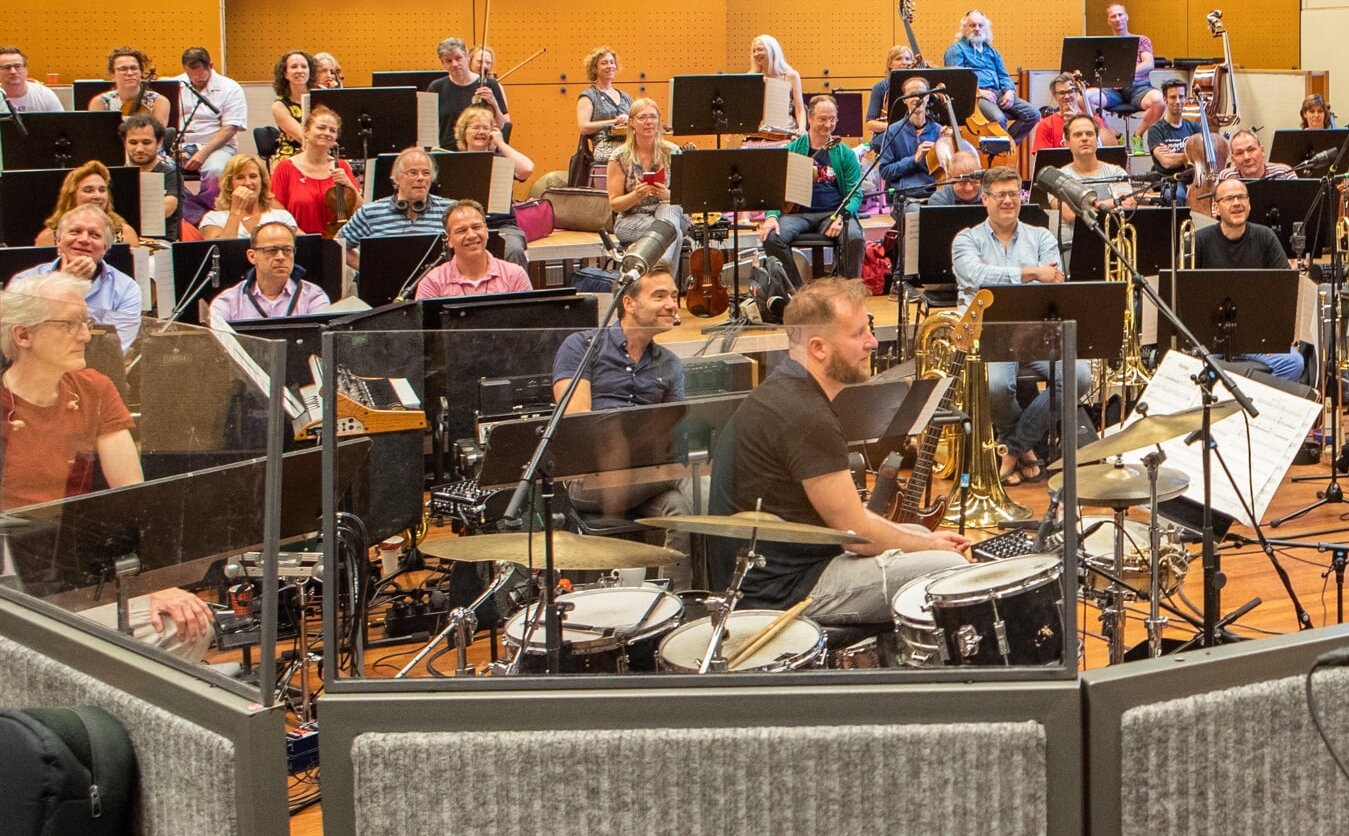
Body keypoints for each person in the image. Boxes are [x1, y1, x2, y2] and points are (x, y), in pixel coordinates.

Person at [714, 277, 970, 622]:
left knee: (922, 533)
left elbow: (848, 518)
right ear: (819, 348)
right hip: (785, 592)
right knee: (948, 566)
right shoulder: (805, 415)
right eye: (858, 334)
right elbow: (856, 535)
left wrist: (922, 539)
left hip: (795, 566)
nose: (872, 342)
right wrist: (931, 547)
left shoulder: (786, 392)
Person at [0, 272, 211, 660]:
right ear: (23, 336)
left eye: (86, 322)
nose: (84, 335)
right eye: (69, 324)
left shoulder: (94, 388)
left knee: (186, 626)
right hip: (10, 577)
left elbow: (133, 498)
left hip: (78, 570)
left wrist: (155, 584)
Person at [550, 266, 693, 584]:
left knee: (681, 509)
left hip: (651, 475)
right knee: (695, 480)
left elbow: (676, 430)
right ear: (628, 303)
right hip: (590, 479)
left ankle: (673, 603)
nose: (672, 304)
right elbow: (578, 425)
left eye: (674, 295)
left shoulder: (670, 363)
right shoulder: (582, 346)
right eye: (660, 296)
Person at [954, 166, 1090, 483]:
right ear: (984, 199)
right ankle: (1026, 451)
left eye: (1014, 193)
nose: (1008, 201)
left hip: (1035, 328)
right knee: (997, 386)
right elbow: (976, 276)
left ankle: (1013, 447)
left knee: (1079, 375)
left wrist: (1024, 277)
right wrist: (1031, 273)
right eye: (1000, 195)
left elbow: (1053, 282)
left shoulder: (1041, 236)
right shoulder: (966, 240)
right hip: (990, 330)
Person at [1191, 178, 1307, 382]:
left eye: (1241, 197)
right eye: (1229, 198)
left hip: (1256, 336)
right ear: (1216, 207)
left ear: (1249, 204)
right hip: (1211, 339)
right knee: (1184, 368)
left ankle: (1261, 408)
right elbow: (1185, 293)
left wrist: (1274, 336)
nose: (1237, 203)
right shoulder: (1200, 240)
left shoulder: (1266, 237)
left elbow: (1284, 288)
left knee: (1293, 363)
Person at [761, 96, 865, 287]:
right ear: (809, 118)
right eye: (823, 119)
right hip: (799, 214)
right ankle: (797, 293)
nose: (828, 125)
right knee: (772, 237)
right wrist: (771, 216)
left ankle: (846, 294)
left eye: (833, 119)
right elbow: (775, 189)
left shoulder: (845, 153)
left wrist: (841, 216)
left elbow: (855, 194)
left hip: (833, 213)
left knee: (855, 238)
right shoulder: (792, 150)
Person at [17, 206, 142, 349]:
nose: (84, 239)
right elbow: (20, 339)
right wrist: (62, 284)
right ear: (58, 240)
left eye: (94, 235)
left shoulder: (127, 290)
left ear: (105, 247)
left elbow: (110, 351)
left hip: (93, 368)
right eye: (75, 231)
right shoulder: (24, 281)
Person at [334, 146, 455, 270]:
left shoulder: (451, 210)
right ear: (396, 179)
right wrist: (369, 269)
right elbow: (337, 245)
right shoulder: (370, 212)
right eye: (413, 173)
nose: (421, 178)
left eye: (426, 173)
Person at [604, 98, 687, 277]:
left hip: (669, 212)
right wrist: (636, 195)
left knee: (669, 209)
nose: (649, 122)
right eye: (642, 118)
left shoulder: (673, 152)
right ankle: (664, 284)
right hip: (631, 219)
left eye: (653, 117)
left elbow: (686, 197)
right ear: (632, 123)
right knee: (674, 234)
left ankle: (656, 289)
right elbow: (615, 204)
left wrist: (667, 194)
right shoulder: (619, 157)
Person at [448, 105, 531, 267]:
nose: (481, 132)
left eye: (486, 128)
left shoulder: (502, 159)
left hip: (502, 226)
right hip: (465, 227)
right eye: (475, 127)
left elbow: (526, 169)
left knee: (514, 250)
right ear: (464, 132)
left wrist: (501, 143)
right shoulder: (454, 163)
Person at [943, 10, 1040, 143]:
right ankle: (1003, 151)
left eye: (980, 25)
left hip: (998, 93)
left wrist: (1010, 92)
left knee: (1033, 114)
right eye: (972, 25)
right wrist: (978, 92)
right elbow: (957, 80)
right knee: (999, 119)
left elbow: (1004, 75)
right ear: (964, 29)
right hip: (977, 97)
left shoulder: (992, 52)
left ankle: (1005, 147)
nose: (977, 29)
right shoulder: (956, 50)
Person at [206, 221, 330, 323]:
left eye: (287, 250)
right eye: (271, 250)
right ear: (252, 256)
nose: (281, 257)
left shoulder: (314, 298)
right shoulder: (227, 302)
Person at [1052, 113, 1133, 263]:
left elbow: (1127, 207)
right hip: (1073, 249)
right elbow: (1071, 215)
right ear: (1067, 142)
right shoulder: (1059, 178)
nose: (1084, 138)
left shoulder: (1117, 172)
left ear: (1097, 140)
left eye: (1089, 134)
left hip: (1114, 246)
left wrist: (1081, 207)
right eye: (1077, 135)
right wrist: (1114, 202)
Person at [413, 200, 533, 300]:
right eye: (461, 230)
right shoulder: (432, 283)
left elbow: (529, 325)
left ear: (486, 231)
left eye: (476, 227)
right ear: (449, 240)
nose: (471, 235)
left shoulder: (515, 275)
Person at [269, 104, 358, 236]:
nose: (327, 133)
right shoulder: (285, 168)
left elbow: (359, 209)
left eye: (332, 130)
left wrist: (348, 183)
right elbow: (277, 212)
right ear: (306, 131)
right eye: (321, 127)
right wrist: (307, 242)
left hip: (336, 241)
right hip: (299, 242)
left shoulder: (342, 166)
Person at [172, 46, 248, 188]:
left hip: (217, 147)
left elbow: (230, 128)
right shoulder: (176, 84)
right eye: (190, 75)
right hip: (181, 147)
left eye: (200, 75)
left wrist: (203, 154)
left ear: (210, 66)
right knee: (161, 168)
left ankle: (212, 208)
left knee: (215, 170)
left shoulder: (230, 88)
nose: (196, 79)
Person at [1089, 4, 1166, 130]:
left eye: (1120, 15)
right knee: (1084, 98)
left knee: (1159, 101)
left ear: (1127, 17)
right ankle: (1113, 135)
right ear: (1109, 21)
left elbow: (1148, 64)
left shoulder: (1142, 40)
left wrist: (1125, 76)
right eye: (1113, 16)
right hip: (1112, 90)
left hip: (1139, 88)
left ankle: (1138, 136)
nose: (1118, 19)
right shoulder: (1104, 44)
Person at [872, 75, 945, 201]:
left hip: (934, 194)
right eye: (912, 94)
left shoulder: (939, 131)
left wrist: (947, 144)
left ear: (928, 97)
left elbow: (948, 170)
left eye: (922, 94)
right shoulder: (892, 131)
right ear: (904, 99)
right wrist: (914, 160)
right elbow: (885, 171)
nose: (917, 98)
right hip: (905, 196)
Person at [35, 161, 139, 247]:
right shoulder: (48, 237)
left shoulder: (126, 233)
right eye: (88, 190)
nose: (98, 196)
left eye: (102, 190)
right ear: (71, 195)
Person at [427, 38, 507, 149]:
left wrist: (493, 103)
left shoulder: (490, 85)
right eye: (448, 61)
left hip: (481, 152)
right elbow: (426, 129)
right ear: (443, 63)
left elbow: (502, 125)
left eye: (458, 58)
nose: (454, 64)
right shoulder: (436, 87)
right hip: (447, 152)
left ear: (467, 56)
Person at [199, 155, 299, 240]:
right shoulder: (213, 219)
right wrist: (235, 212)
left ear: (262, 181)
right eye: (240, 177)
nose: (247, 183)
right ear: (229, 184)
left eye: (253, 176)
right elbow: (222, 252)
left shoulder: (282, 217)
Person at [575, 46, 632, 189]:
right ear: (595, 68)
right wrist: (614, 122)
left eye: (612, 62)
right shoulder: (589, 96)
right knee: (636, 155)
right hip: (603, 144)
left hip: (628, 142)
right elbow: (583, 127)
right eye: (604, 63)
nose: (610, 66)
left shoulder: (625, 97)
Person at [120, 113, 181, 240]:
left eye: (146, 142)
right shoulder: (118, 173)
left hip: (160, 242)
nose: (139, 149)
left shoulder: (171, 174)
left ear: (159, 142)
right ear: (125, 143)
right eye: (133, 142)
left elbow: (167, 208)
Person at [87, 48, 170, 127]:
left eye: (134, 68)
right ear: (112, 75)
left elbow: (158, 136)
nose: (130, 73)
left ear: (141, 73)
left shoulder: (158, 102)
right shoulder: (100, 102)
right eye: (123, 69)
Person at [1030, 75, 1117, 151]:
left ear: (1077, 92)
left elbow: (1104, 154)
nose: (1067, 96)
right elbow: (1044, 160)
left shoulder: (1095, 121)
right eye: (1062, 93)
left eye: (1070, 91)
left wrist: (1078, 121)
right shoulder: (1045, 125)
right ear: (1055, 96)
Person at [749, 34, 806, 135]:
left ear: (772, 50)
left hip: (786, 130)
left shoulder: (791, 75)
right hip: (759, 131)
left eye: (760, 49)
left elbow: (800, 108)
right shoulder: (751, 77)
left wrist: (801, 129)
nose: (756, 54)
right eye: (754, 51)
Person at [1143, 79, 1202, 176]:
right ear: (1165, 99)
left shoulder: (1195, 128)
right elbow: (1166, 162)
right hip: (1170, 182)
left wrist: (1173, 155)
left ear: (1185, 99)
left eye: (1181, 97)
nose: (1178, 101)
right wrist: (1192, 154)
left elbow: (1204, 155)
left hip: (1193, 179)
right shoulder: (1156, 130)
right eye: (1173, 97)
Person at [268, 49, 315, 161]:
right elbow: (303, 137)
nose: (300, 70)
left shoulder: (321, 95)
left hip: (320, 151)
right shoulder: (279, 106)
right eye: (294, 67)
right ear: (285, 74)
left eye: (304, 66)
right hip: (291, 155)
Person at [865, 45, 918, 136]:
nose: (904, 62)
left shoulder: (919, 87)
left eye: (908, 59)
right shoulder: (880, 88)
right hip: (888, 135)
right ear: (889, 64)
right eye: (898, 59)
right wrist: (897, 127)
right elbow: (870, 124)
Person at [0, 47, 62, 113]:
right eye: (6, 67)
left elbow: (62, 122)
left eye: (17, 66)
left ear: (26, 69)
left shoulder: (44, 94)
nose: (13, 71)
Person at [1222, 128, 1295, 181]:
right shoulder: (1226, 177)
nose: (1246, 157)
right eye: (1239, 153)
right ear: (1233, 159)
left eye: (1251, 150)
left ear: (1262, 151)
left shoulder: (1283, 173)